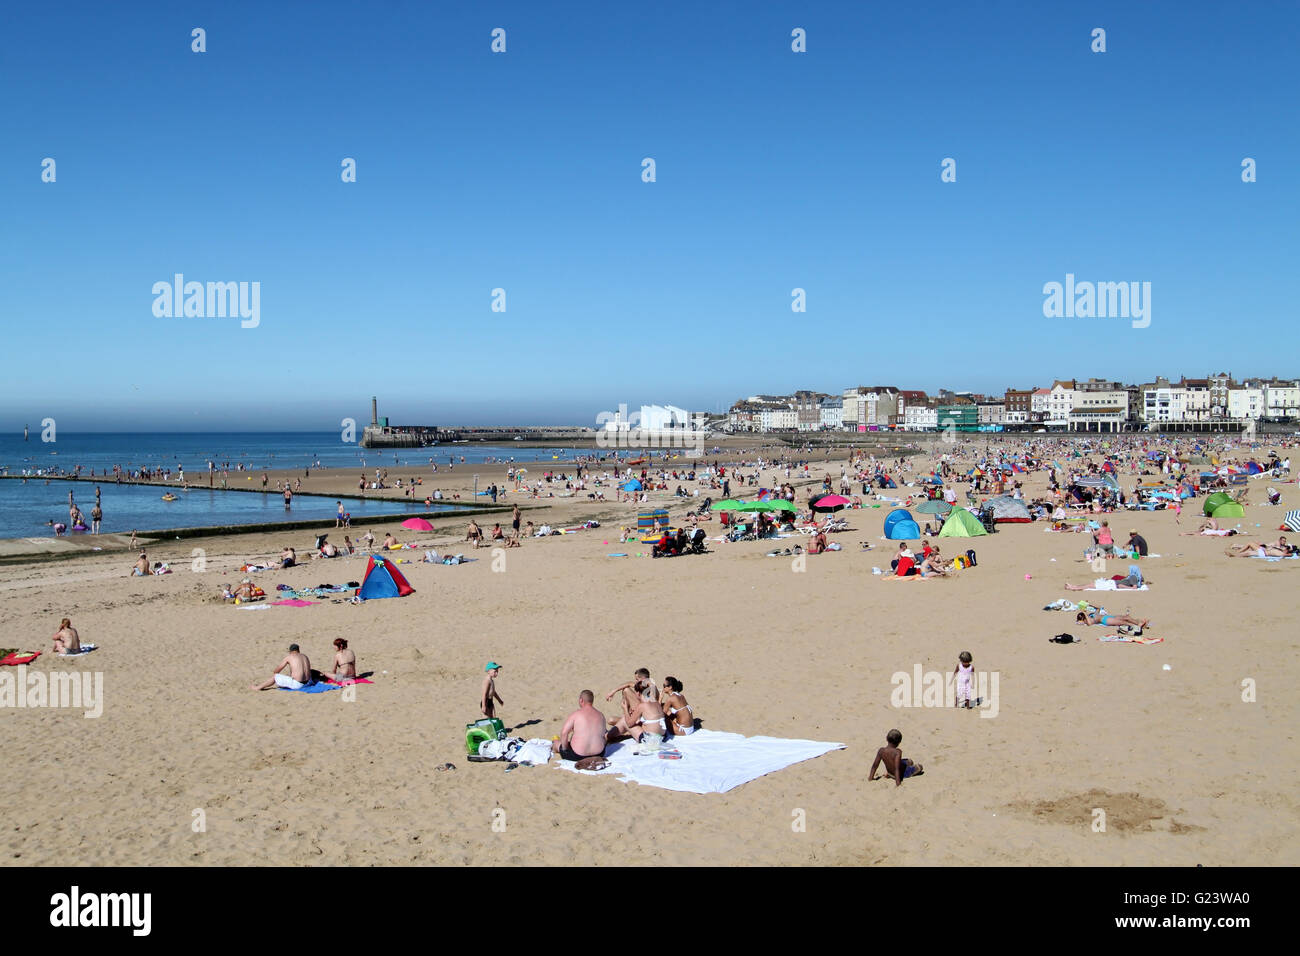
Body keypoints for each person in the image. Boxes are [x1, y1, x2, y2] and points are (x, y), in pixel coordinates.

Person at [556, 690, 608, 762]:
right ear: (592, 701)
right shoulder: (601, 715)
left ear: (581, 700)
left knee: (556, 744)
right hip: (599, 754)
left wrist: (565, 749)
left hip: (578, 756)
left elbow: (564, 733)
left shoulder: (576, 714)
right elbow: (603, 735)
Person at [1076, 608, 1150, 631]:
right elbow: (1089, 624)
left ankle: (1139, 624)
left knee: (1126, 617)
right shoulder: (1088, 620)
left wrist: (1089, 603)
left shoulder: (1091, 615)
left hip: (1108, 616)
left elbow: (1098, 607)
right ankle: (1138, 627)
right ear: (1083, 619)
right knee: (1123, 622)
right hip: (1105, 620)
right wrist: (1084, 614)